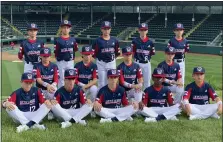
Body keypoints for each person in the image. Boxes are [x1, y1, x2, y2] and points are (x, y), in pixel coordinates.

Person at [92, 21, 120, 89]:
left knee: (112, 82)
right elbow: (93, 54)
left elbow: (117, 53)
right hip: (101, 63)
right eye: (105, 29)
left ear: (110, 29)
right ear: (101, 29)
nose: (106, 31)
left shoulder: (115, 40)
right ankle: (101, 98)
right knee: (101, 82)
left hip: (111, 63)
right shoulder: (97, 41)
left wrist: (112, 59)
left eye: (108, 29)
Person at [33, 47, 59, 120]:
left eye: (47, 56)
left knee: (53, 91)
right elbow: (38, 79)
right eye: (44, 56)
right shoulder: (36, 66)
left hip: (50, 88)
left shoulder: (54, 66)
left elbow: (56, 79)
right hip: (40, 89)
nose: (46, 58)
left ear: (50, 56)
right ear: (41, 56)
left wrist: (52, 86)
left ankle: (51, 111)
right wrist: (47, 85)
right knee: (39, 104)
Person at [74, 45, 98, 117]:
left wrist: (86, 86)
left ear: (91, 55)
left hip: (89, 86)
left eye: (89, 54)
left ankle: (92, 108)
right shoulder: (77, 65)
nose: (87, 56)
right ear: (82, 54)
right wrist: (82, 85)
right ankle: (80, 107)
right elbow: (74, 79)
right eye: (85, 54)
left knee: (94, 88)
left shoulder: (94, 66)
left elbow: (95, 80)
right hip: (80, 87)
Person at [54, 20, 78, 88]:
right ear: (61, 29)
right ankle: (60, 96)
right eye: (64, 27)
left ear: (70, 29)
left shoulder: (73, 40)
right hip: (61, 62)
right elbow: (56, 52)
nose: (66, 29)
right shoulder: (58, 40)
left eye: (67, 28)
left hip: (70, 62)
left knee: (71, 78)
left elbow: (75, 49)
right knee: (61, 80)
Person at [131, 23, 155, 90]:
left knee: (147, 82)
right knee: (136, 81)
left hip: (147, 64)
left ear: (147, 31)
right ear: (138, 31)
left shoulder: (150, 42)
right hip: (137, 63)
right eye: (141, 30)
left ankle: (145, 98)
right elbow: (132, 53)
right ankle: (136, 97)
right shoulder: (135, 41)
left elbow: (151, 53)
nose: (143, 32)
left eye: (145, 30)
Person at [167, 23, 190, 88]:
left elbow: (186, 51)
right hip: (173, 62)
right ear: (174, 31)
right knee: (171, 79)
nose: (179, 31)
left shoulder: (186, 41)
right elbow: (168, 52)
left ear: (183, 31)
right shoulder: (171, 41)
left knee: (181, 80)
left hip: (181, 62)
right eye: (177, 30)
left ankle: (180, 95)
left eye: (180, 30)